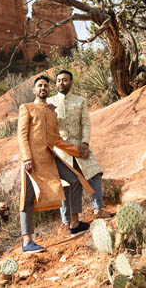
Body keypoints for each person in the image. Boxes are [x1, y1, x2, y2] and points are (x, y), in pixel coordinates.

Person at [17, 74, 94, 253]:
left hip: (50, 158)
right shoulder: (26, 108)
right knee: (27, 198)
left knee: (75, 179)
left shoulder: (52, 113)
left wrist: (77, 150)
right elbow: (21, 136)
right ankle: (27, 241)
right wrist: (27, 157)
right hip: (32, 161)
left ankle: (74, 223)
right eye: (40, 86)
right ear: (34, 90)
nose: (43, 88)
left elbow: (56, 139)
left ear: (48, 90)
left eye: (45, 86)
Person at [47, 69, 108, 223]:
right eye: (59, 80)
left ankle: (98, 209)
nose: (61, 83)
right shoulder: (50, 102)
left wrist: (85, 143)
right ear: (55, 83)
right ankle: (67, 220)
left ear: (71, 82)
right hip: (60, 149)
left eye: (65, 80)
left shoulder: (79, 100)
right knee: (65, 184)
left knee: (94, 173)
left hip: (78, 145)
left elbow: (85, 123)